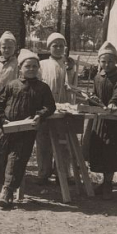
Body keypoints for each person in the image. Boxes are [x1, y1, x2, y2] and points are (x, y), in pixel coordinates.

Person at [0, 49, 56, 208]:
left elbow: (50, 106)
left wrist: (40, 115)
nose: (31, 69)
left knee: (16, 158)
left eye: (34, 66)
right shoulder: (11, 85)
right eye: (27, 66)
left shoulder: (42, 88)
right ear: (20, 68)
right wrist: (2, 120)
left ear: (38, 68)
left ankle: (7, 191)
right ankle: (1, 185)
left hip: (26, 130)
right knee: (0, 156)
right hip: (6, 129)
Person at [86, 42, 117, 200]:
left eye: (110, 61)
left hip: (115, 123)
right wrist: (92, 100)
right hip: (101, 120)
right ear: (99, 62)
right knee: (100, 150)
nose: (106, 64)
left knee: (111, 151)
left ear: (116, 61)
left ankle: (108, 183)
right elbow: (95, 94)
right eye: (103, 61)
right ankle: (103, 182)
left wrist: (114, 102)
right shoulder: (98, 77)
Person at [35, 32, 74, 185]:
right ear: (49, 47)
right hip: (45, 108)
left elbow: (73, 85)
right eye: (55, 45)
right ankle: (43, 172)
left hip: (64, 107)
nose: (58, 48)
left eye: (61, 45)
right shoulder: (42, 64)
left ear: (65, 47)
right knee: (43, 141)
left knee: (63, 142)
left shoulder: (69, 64)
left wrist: (70, 70)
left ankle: (62, 173)